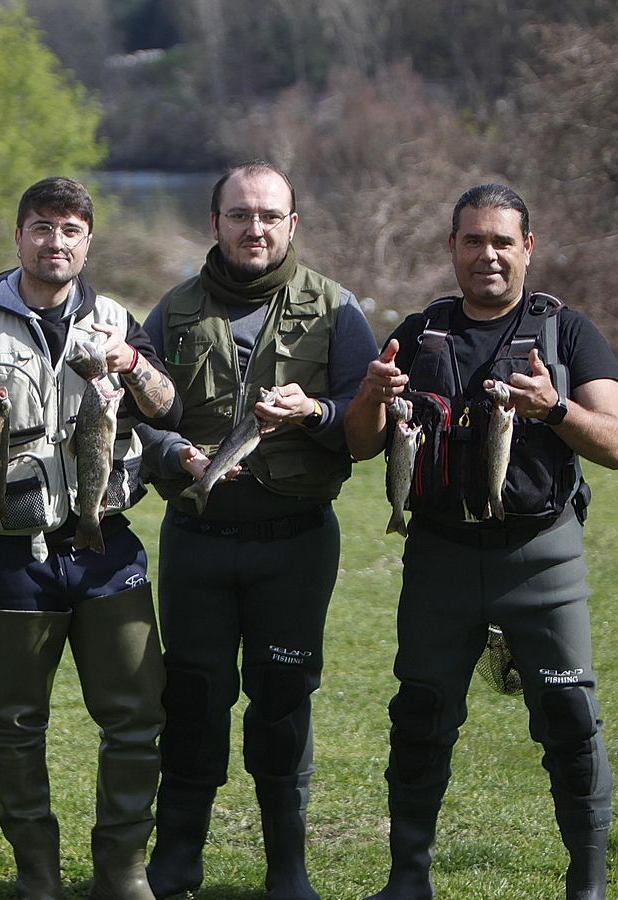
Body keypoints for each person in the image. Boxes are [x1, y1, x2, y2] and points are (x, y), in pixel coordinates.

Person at [343, 183, 618, 900]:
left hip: (542, 558)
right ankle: (407, 880)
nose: (488, 255)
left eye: (503, 241)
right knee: (420, 717)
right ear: (452, 248)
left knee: (569, 719)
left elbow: (616, 445)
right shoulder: (416, 330)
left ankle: (586, 884)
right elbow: (359, 444)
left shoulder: (570, 333)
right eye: (473, 240)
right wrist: (375, 395)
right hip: (438, 556)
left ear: (528, 247)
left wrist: (554, 407)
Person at [0, 177, 181, 900]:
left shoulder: (121, 321)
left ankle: (123, 874)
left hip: (106, 548)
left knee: (135, 717)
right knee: (12, 724)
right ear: (17, 236)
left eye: (70, 230)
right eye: (41, 227)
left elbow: (168, 404)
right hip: (8, 553)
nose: (55, 242)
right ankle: (38, 876)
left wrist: (133, 365)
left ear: (88, 241)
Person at [135, 161, 376, 900]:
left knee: (282, 699)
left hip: (296, 544)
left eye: (271, 215)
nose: (256, 228)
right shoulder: (173, 311)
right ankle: (178, 854)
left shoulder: (337, 312)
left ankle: (287, 868)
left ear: (293, 225)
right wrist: (173, 451)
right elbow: (133, 422)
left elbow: (365, 431)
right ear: (216, 224)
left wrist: (316, 412)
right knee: (193, 696)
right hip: (197, 544)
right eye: (240, 215)